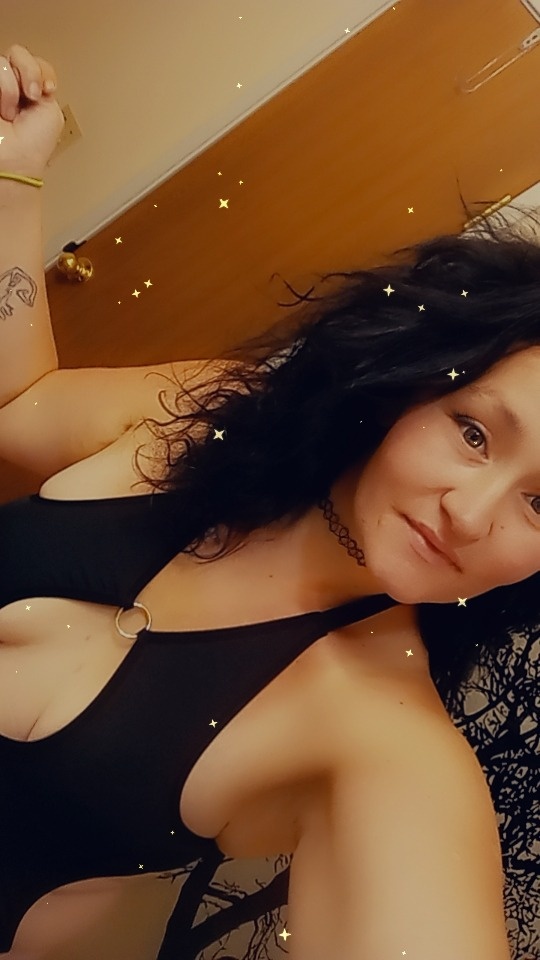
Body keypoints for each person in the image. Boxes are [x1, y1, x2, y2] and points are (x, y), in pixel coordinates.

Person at [0, 44, 537, 960]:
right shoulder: (217, 412)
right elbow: (23, 405)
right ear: (415, 383)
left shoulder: (380, 744)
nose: (471, 512)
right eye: (474, 432)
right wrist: (16, 173)